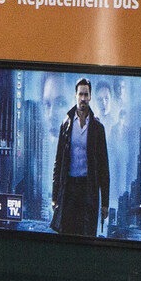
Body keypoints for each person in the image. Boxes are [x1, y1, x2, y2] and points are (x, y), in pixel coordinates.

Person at [50, 77, 111, 238]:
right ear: (75, 96)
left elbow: (104, 167)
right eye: (80, 94)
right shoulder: (66, 124)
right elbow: (58, 162)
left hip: (88, 189)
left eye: (86, 94)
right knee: (66, 233)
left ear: (90, 97)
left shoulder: (98, 128)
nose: (83, 98)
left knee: (86, 235)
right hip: (69, 188)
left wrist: (105, 203)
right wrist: (55, 196)